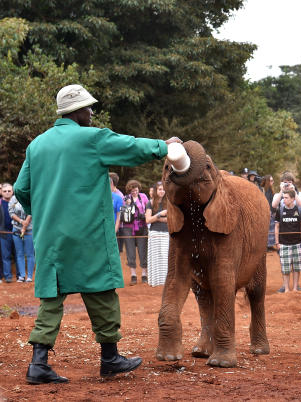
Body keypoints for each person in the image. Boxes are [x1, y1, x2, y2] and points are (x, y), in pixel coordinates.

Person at [13, 84, 179, 384]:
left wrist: (46, 212)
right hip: (87, 234)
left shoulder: (36, 145)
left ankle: (38, 364)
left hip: (51, 237)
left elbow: (22, 189)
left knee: (51, 296)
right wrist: (164, 146)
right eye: (88, 107)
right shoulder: (92, 138)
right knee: (101, 290)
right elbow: (131, 147)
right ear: (76, 112)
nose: (92, 112)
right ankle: (109, 358)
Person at [274, 189, 301, 293]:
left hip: (297, 243)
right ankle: (287, 289)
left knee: (296, 268)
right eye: (283, 197)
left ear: (293, 199)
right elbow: (276, 226)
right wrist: (277, 242)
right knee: (285, 268)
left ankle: (295, 288)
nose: (284, 199)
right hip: (284, 243)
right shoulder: (280, 209)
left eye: (286, 197)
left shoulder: (300, 210)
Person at [121, 179, 149, 285]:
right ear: (129, 191)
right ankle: (133, 275)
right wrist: (128, 205)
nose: (134, 192)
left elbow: (148, 210)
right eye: (132, 191)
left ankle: (144, 274)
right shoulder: (126, 198)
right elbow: (124, 215)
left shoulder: (144, 197)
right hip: (129, 228)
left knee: (143, 250)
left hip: (142, 227)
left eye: (136, 190)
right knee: (130, 251)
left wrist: (144, 217)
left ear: (138, 189)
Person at [145, 181, 169, 287]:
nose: (162, 191)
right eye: (160, 189)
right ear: (156, 190)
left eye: (163, 189)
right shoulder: (150, 203)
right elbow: (148, 220)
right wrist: (159, 215)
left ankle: (165, 281)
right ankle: (155, 281)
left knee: (165, 257)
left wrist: (158, 219)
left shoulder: (169, 202)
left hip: (166, 233)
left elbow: (171, 219)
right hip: (154, 233)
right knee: (155, 258)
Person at [9, 194, 35, 282]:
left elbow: (32, 211)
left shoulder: (31, 196)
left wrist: (25, 224)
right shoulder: (13, 198)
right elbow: (11, 212)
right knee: (19, 253)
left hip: (30, 229)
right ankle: (22, 276)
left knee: (30, 253)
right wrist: (21, 221)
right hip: (16, 228)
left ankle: (30, 276)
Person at [1, 183, 16, 283]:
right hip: (3, 233)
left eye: (9, 191)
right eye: (5, 191)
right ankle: (8, 276)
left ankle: (21, 276)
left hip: (17, 232)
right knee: (5, 256)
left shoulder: (17, 202)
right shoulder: (0, 203)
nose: (7, 193)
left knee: (18, 255)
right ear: (1, 192)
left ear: (12, 192)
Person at [260, 175, 277, 250]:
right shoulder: (263, 190)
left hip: (272, 212)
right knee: (265, 229)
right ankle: (265, 246)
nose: (272, 182)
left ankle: (270, 245)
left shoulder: (271, 190)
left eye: (273, 180)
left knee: (271, 229)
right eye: (271, 180)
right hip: (265, 212)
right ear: (267, 181)